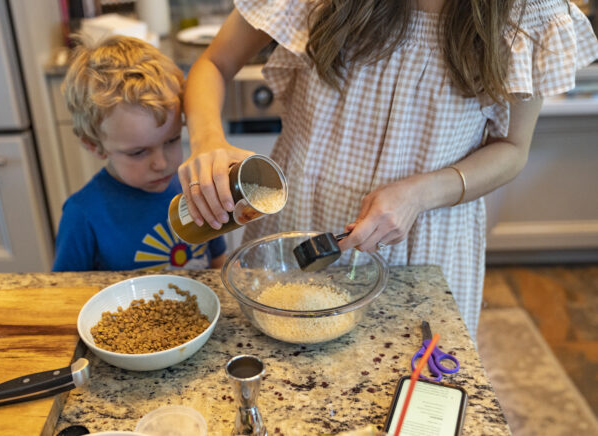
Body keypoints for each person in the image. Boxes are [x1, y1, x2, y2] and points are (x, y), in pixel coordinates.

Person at [178, 0, 598, 339]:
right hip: (295, 224)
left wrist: (420, 192)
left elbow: (512, 149)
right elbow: (213, 64)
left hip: (425, 246)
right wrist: (207, 140)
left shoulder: (528, 12)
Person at [53, 35, 226, 272]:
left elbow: (218, 263)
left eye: (172, 140)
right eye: (138, 152)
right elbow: (64, 293)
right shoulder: (82, 216)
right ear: (94, 145)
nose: (162, 163)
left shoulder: (196, 188)